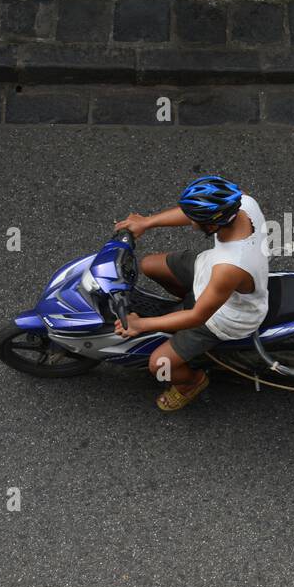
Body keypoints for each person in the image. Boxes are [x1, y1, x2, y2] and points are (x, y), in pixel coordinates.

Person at [112, 176, 269, 412]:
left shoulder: (230, 266)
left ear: (214, 225)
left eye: (195, 220)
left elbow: (197, 316)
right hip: (208, 273)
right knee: (150, 265)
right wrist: (147, 222)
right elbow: (194, 212)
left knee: (160, 365)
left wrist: (140, 325)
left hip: (222, 318)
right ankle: (179, 310)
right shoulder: (242, 204)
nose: (191, 223)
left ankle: (191, 383)